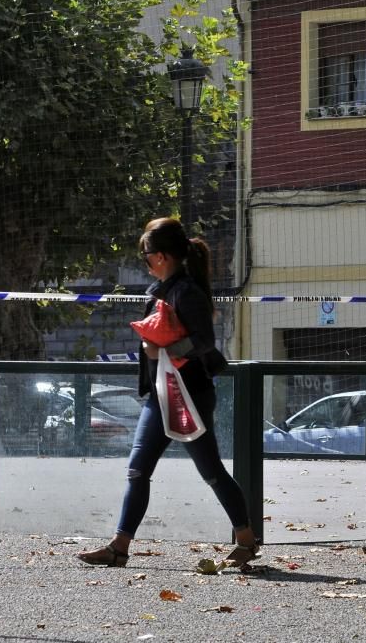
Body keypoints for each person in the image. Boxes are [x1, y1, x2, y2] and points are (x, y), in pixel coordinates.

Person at [77, 217, 258, 568]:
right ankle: (119, 547)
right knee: (137, 470)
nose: (144, 263)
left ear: (160, 256)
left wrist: (164, 351)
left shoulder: (185, 291)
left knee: (212, 472)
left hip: (186, 395)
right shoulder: (168, 290)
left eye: (145, 256)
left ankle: (247, 541)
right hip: (163, 394)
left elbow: (204, 341)